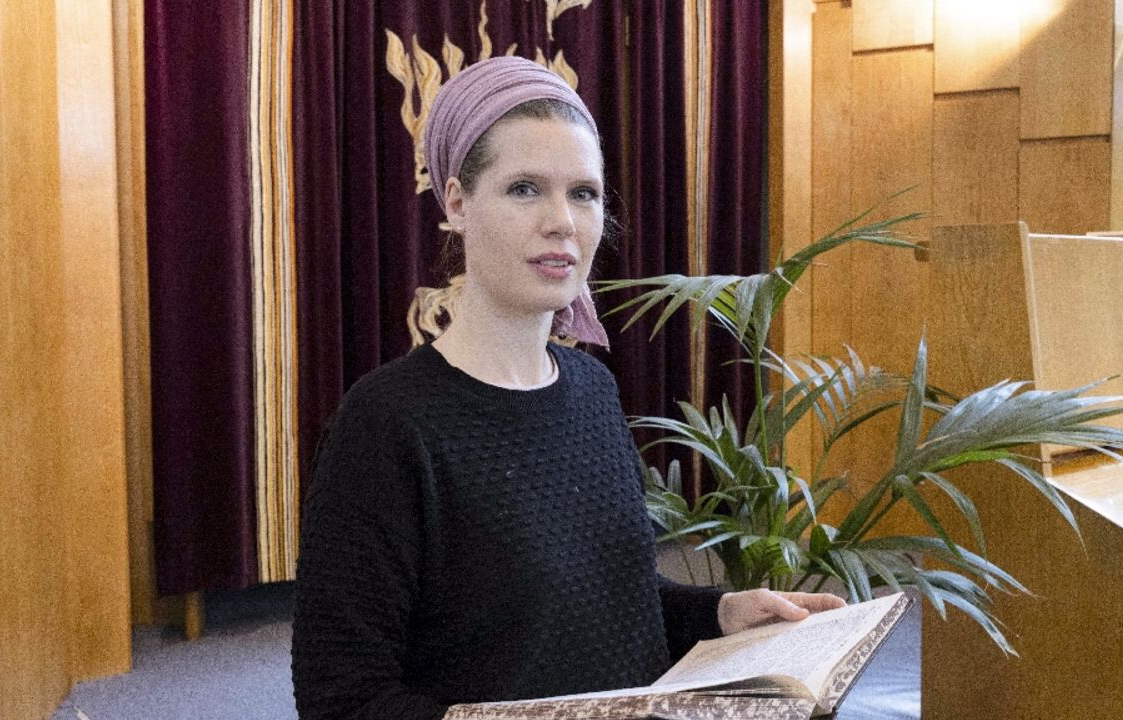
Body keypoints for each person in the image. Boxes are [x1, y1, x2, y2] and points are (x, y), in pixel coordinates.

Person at [290, 56, 845, 720]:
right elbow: (342, 698)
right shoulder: (386, 425)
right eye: (525, 188)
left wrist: (722, 611)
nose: (563, 222)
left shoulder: (592, 390)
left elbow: (610, 603)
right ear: (457, 202)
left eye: (584, 193)